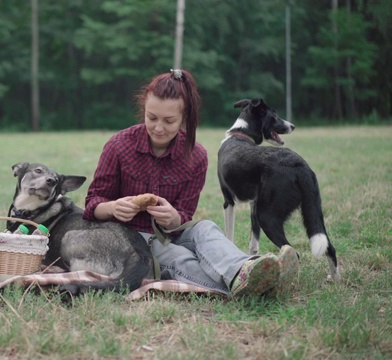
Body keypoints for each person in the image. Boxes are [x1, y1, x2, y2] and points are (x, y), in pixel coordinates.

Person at [83, 69, 298, 297]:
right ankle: (257, 286)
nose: (158, 127)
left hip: (172, 233)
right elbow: (91, 204)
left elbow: (184, 214)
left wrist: (174, 218)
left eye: (169, 121)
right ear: (143, 110)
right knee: (177, 257)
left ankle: (245, 269)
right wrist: (112, 207)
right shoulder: (118, 146)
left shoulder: (196, 156)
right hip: (131, 239)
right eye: (151, 117)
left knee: (206, 228)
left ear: (184, 119)